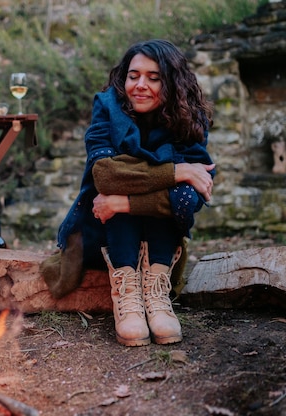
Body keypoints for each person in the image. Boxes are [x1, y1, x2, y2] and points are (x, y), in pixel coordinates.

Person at [40, 39, 215, 347]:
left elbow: (189, 200)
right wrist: (178, 171)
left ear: (172, 83)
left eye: (154, 77)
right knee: (119, 200)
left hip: (157, 237)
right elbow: (106, 177)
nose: (140, 85)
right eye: (134, 75)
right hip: (101, 232)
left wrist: (125, 201)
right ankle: (128, 295)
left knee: (151, 202)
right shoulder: (107, 108)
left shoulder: (189, 117)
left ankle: (156, 293)